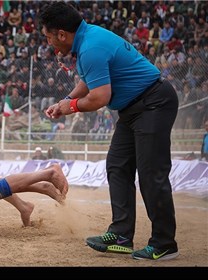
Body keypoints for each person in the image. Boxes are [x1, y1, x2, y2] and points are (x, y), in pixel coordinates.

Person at [39, 1, 179, 261]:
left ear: (61, 34)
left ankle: (164, 243)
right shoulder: (87, 39)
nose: (50, 44)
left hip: (153, 102)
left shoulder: (90, 47)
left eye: (49, 38)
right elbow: (89, 80)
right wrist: (65, 100)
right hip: (134, 107)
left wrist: (70, 106)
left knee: (151, 174)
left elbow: (100, 97)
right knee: (117, 166)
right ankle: (122, 235)